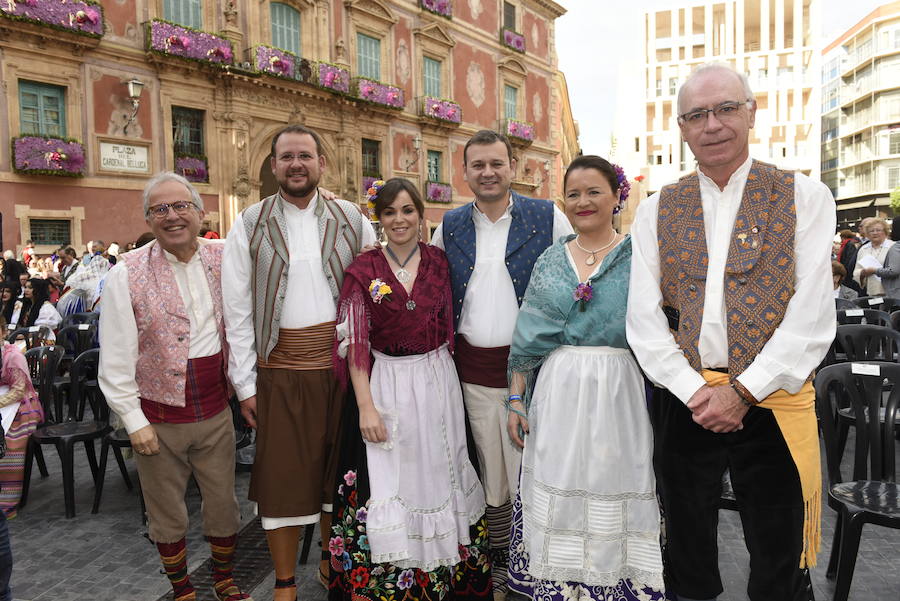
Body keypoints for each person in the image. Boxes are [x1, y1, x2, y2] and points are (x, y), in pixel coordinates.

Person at [626, 63, 836, 601]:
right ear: (682, 127)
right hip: (687, 401)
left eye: (725, 109)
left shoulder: (804, 197)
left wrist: (743, 391)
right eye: (697, 114)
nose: (712, 124)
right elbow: (643, 320)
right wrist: (699, 391)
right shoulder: (655, 210)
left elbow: (812, 315)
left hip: (771, 400)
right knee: (687, 553)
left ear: (751, 112)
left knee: (779, 557)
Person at [223, 124, 376, 601]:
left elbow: (376, 290)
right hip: (280, 372)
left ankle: (332, 568)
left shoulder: (352, 218)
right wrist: (246, 386)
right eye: (287, 156)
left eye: (305, 156)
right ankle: (285, 583)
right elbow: (238, 310)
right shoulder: (249, 222)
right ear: (273, 166)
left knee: (339, 475)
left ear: (320, 163)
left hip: (341, 371)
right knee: (283, 483)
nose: (296, 164)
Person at [505, 156, 665, 601]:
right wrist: (516, 401)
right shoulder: (550, 260)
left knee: (613, 481)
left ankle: (611, 584)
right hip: (558, 391)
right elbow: (526, 338)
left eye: (594, 191)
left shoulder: (640, 258)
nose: (583, 202)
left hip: (619, 393)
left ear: (617, 196)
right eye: (573, 193)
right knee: (561, 484)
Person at [328, 178, 490, 601]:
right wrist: (366, 407)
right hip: (386, 382)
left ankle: (445, 578)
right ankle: (394, 582)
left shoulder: (440, 261)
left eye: (407, 211)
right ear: (378, 219)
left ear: (421, 215)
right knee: (392, 478)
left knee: (442, 469)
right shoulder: (363, 270)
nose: (399, 220)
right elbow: (356, 343)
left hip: (438, 380)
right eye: (389, 212)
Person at [430, 130, 573, 598]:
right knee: (491, 472)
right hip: (471, 374)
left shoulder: (546, 216)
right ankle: (503, 569)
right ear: (464, 170)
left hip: (536, 374)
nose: (487, 172)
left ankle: (539, 563)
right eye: (478, 165)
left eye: (497, 163)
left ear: (513, 167)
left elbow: (576, 279)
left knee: (535, 469)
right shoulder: (448, 226)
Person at [99, 172, 253, 601]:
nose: (172, 216)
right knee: (166, 513)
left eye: (181, 206)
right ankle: (182, 588)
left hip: (215, 411)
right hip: (158, 418)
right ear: (148, 219)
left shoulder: (226, 255)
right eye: (160, 209)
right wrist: (134, 422)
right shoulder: (125, 274)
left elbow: (277, 242)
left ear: (200, 213)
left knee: (224, 505)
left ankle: (223, 578)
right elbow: (114, 357)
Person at [0, 316, 44, 517]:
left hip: (21, 405)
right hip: (3, 401)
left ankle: (6, 501)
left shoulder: (12, 356)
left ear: (2, 332)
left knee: (9, 439)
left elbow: (18, 391)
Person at [853, 218, 893, 296]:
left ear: (885, 232)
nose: (875, 233)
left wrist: (876, 270)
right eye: (871, 231)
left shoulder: (893, 247)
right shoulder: (863, 249)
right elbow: (856, 271)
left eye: (878, 230)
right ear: (867, 234)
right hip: (871, 292)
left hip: (891, 292)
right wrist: (863, 272)